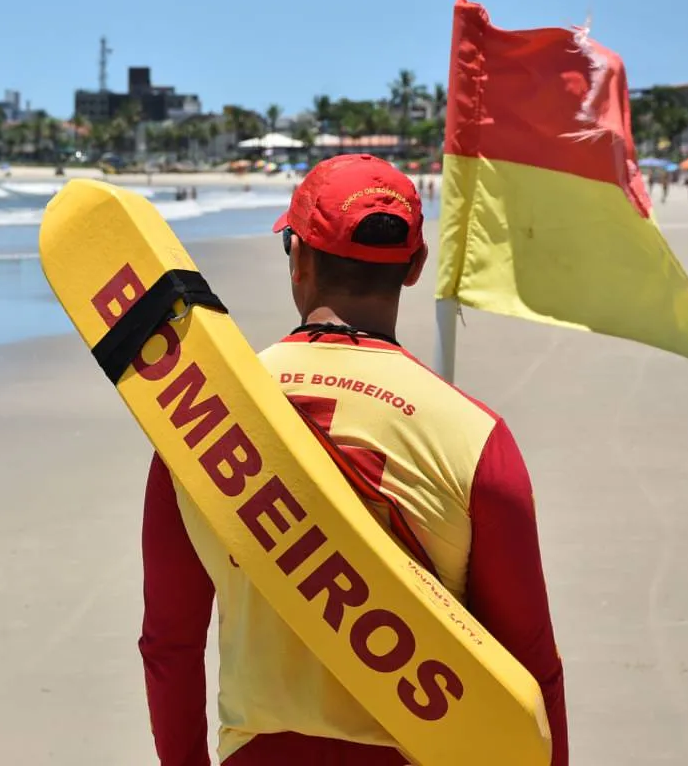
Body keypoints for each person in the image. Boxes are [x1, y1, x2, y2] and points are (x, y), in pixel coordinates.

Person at [138, 153, 568, 766]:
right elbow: (532, 670)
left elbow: (170, 645)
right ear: (416, 266)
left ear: (298, 257)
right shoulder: (475, 437)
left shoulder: (197, 418)